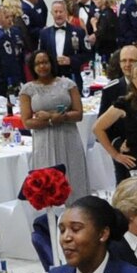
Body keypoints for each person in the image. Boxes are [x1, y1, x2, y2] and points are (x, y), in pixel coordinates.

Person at [17, 48, 91, 201]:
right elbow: (27, 122)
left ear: (51, 63)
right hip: (44, 140)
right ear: (33, 67)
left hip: (69, 137)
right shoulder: (27, 89)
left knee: (74, 177)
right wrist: (50, 121)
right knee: (49, 182)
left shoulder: (67, 84)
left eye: (45, 62)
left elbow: (78, 114)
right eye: (37, 64)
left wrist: (53, 116)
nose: (42, 66)